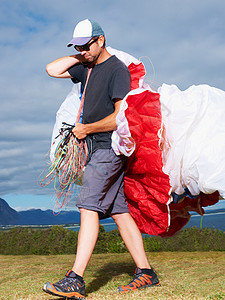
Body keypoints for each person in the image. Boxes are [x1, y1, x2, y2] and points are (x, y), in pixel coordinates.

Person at [42, 19, 160, 299]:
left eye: (86, 44)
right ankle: (146, 272)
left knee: (88, 207)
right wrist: (81, 53)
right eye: (78, 46)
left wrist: (87, 128)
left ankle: (76, 279)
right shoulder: (86, 67)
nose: (82, 51)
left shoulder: (117, 70)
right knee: (119, 210)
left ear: (101, 40)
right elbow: (51, 69)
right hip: (94, 147)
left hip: (109, 148)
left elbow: (120, 117)